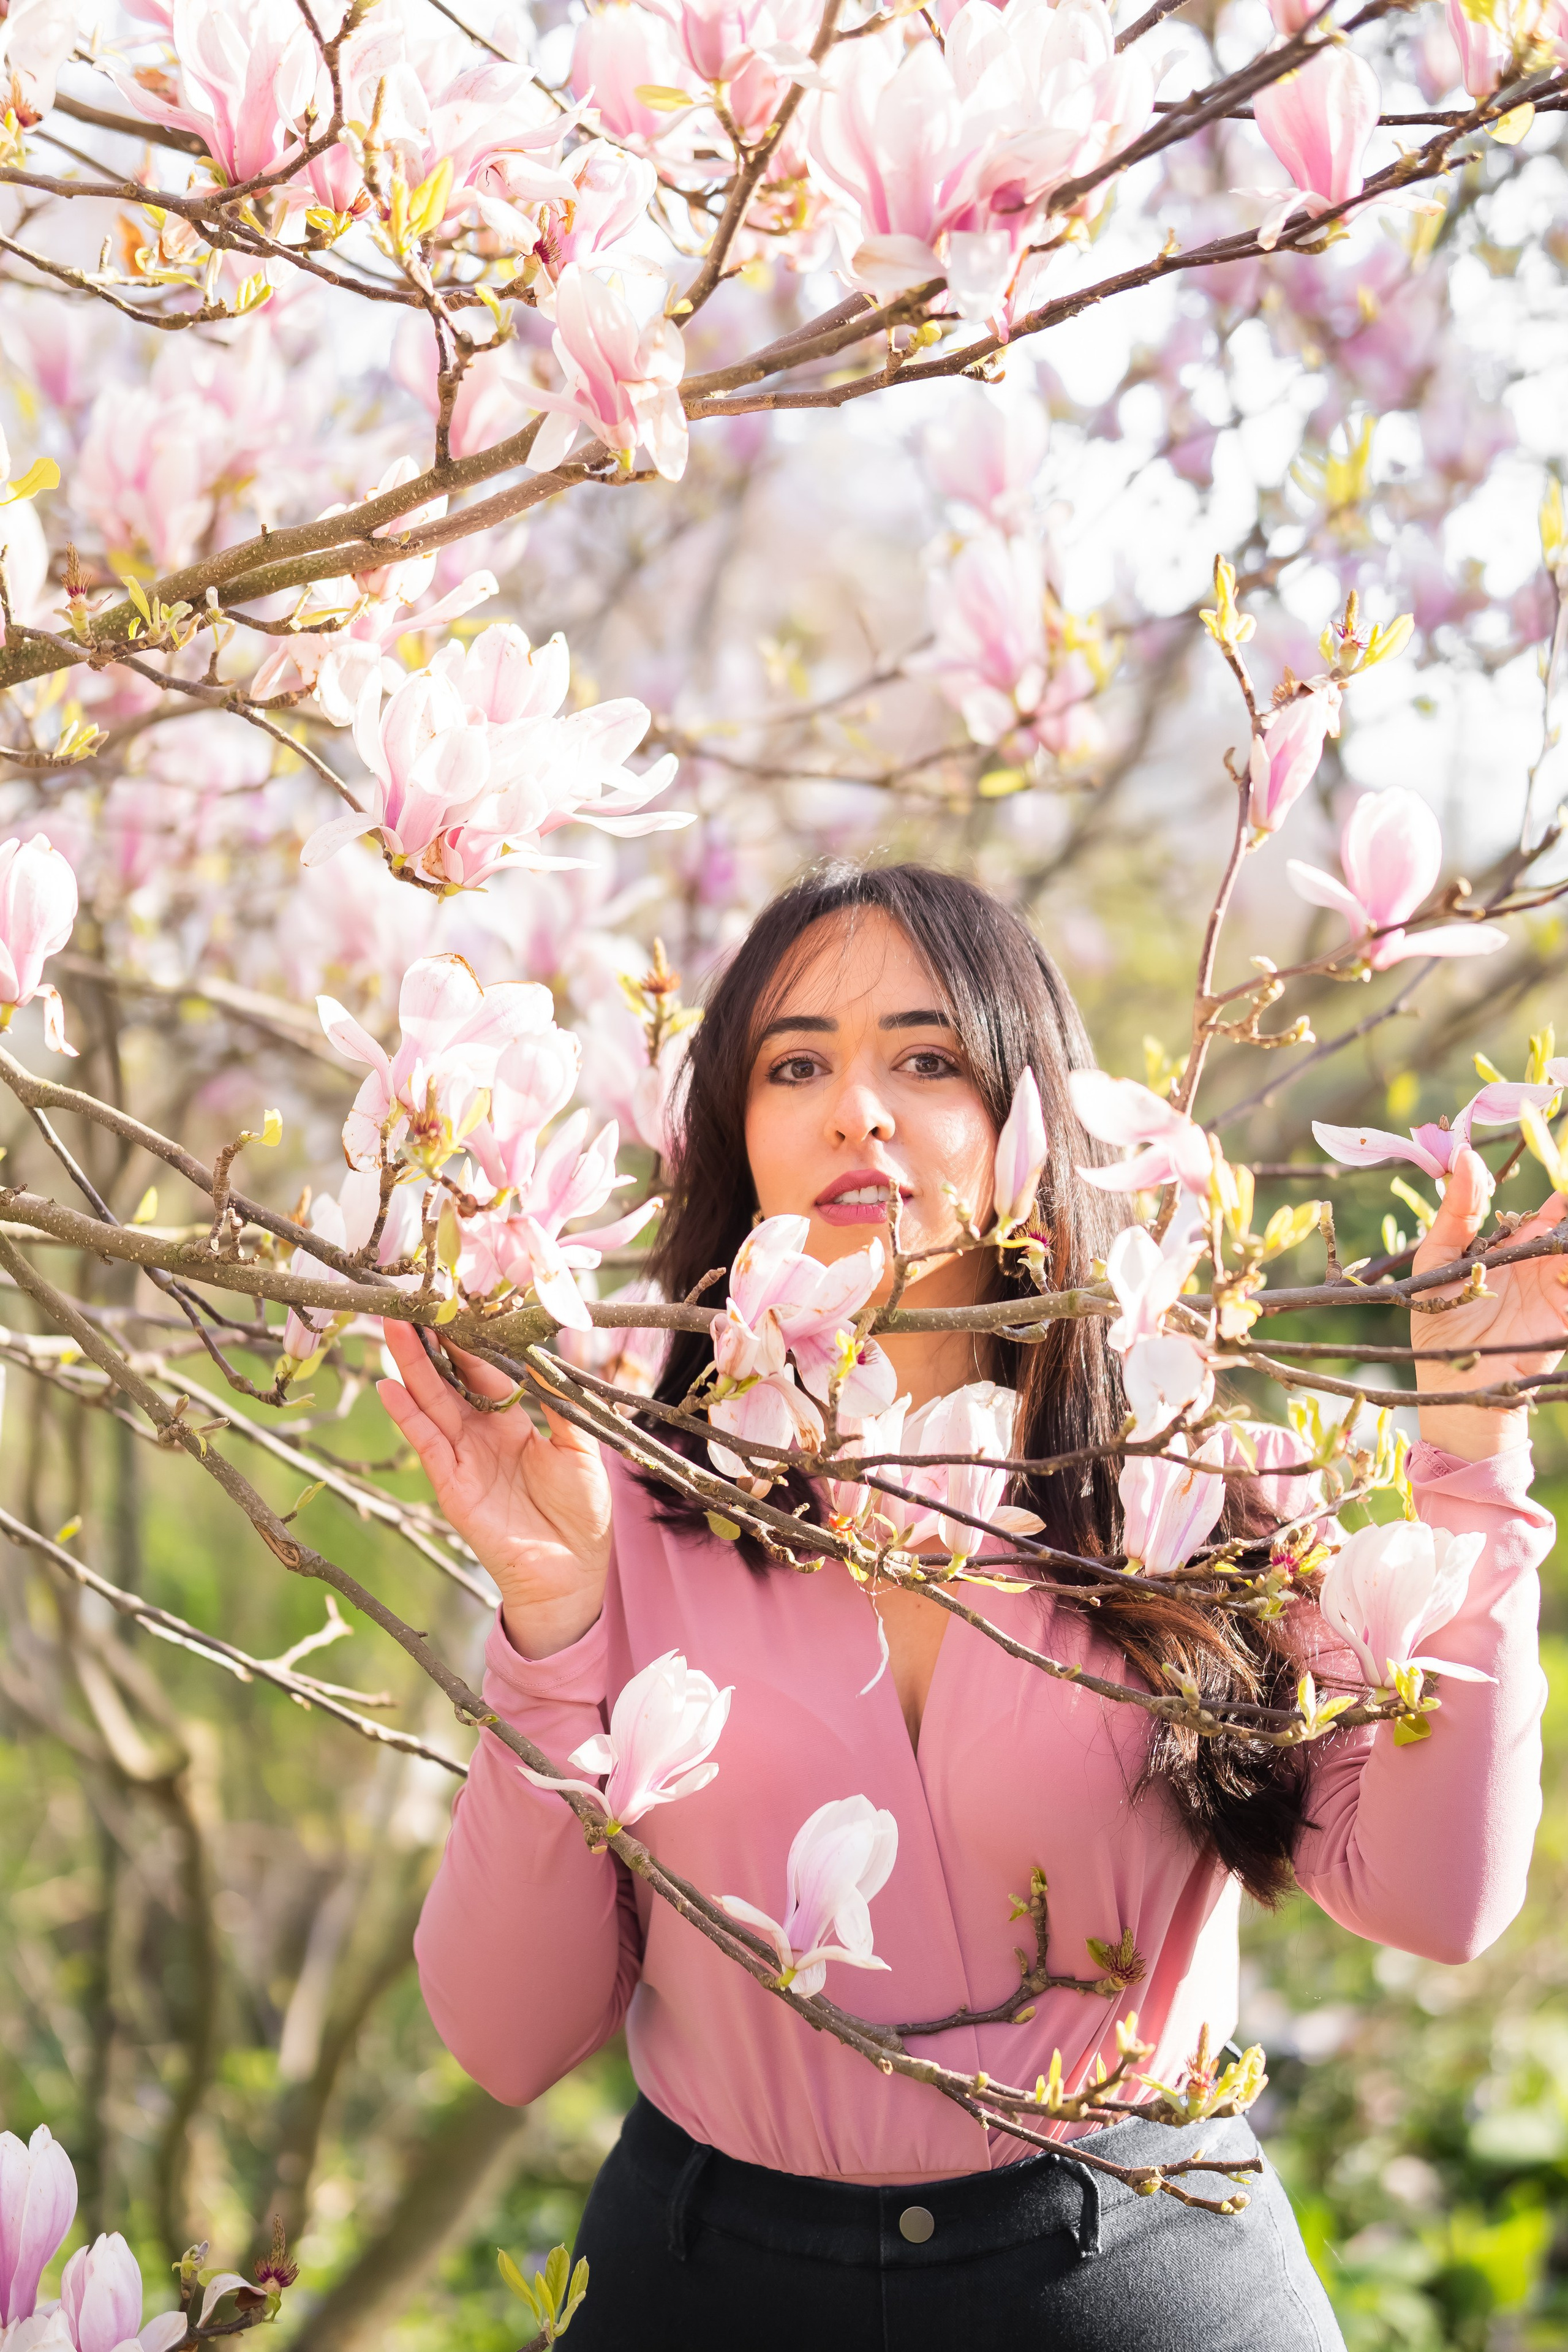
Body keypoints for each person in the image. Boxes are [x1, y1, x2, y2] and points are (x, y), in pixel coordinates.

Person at [383, 864, 1559, 2351]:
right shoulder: (627, 1508)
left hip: (1136, 2268)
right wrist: (549, 1616)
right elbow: (503, 2037)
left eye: (925, 1061)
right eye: (794, 1063)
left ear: (1026, 1119)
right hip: (711, 2282)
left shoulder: (1194, 1490)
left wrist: (1472, 1449)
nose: (855, 1110)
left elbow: (1437, 1900)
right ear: (736, 1143)